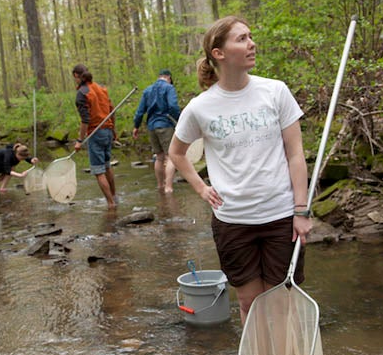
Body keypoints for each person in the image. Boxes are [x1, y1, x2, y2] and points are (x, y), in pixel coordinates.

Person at [168, 16, 312, 326]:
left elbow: (296, 154)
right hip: (233, 220)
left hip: (281, 216)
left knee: (281, 299)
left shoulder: (275, 92)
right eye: (242, 38)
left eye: (250, 36)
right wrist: (200, 187)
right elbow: (176, 152)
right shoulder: (200, 107)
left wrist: (301, 210)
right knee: (248, 301)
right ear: (219, 53)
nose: (252, 43)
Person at [72, 64, 117, 209]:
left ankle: (110, 204)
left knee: (99, 171)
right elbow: (112, 111)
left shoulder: (82, 93)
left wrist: (79, 140)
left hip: (95, 132)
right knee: (107, 166)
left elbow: (85, 120)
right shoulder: (101, 88)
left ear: (76, 76)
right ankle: (114, 197)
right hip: (108, 130)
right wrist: (113, 130)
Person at [133, 69, 181, 193]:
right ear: (169, 78)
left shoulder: (148, 90)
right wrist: (180, 121)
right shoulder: (169, 88)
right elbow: (173, 106)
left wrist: (136, 126)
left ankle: (160, 185)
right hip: (165, 124)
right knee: (170, 156)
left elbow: (139, 112)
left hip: (152, 126)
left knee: (159, 157)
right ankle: (169, 187)